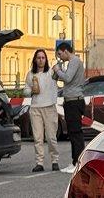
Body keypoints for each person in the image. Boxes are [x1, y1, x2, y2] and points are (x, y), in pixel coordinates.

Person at [23, 49, 60, 172]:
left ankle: (55, 160)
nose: (40, 60)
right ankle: (39, 162)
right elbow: (25, 90)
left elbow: (60, 76)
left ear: (46, 59)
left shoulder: (51, 72)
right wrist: (31, 91)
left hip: (49, 107)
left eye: (43, 58)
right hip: (35, 108)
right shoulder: (30, 74)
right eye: (38, 58)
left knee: (51, 137)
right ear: (35, 59)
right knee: (38, 138)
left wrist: (58, 67)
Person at [53, 40, 85, 172]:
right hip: (72, 100)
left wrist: (58, 70)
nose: (60, 57)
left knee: (75, 133)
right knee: (73, 133)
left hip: (74, 101)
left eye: (60, 54)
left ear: (66, 51)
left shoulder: (74, 61)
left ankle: (77, 162)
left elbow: (67, 78)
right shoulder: (74, 62)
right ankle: (75, 162)